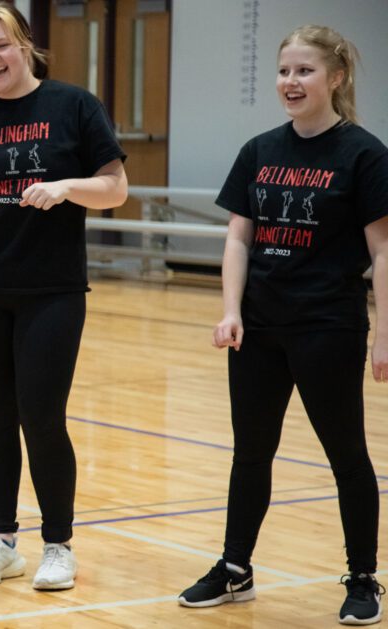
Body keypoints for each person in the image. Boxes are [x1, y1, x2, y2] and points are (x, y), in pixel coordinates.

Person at [176, 25, 388, 625]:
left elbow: (382, 252)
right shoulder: (260, 151)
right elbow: (239, 237)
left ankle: (364, 578)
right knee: (251, 453)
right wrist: (231, 309)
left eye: (304, 71)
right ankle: (235, 568)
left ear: (336, 78)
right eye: (284, 71)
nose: (290, 83)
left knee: (347, 454)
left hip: (328, 325)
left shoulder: (364, 154)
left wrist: (383, 334)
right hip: (260, 329)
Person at [0, 3, 127, 591]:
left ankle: (58, 544)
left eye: (2, 46)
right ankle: (1, 541)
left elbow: (116, 189)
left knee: (42, 417)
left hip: (51, 290)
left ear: (26, 46)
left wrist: (66, 187)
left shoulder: (73, 105)